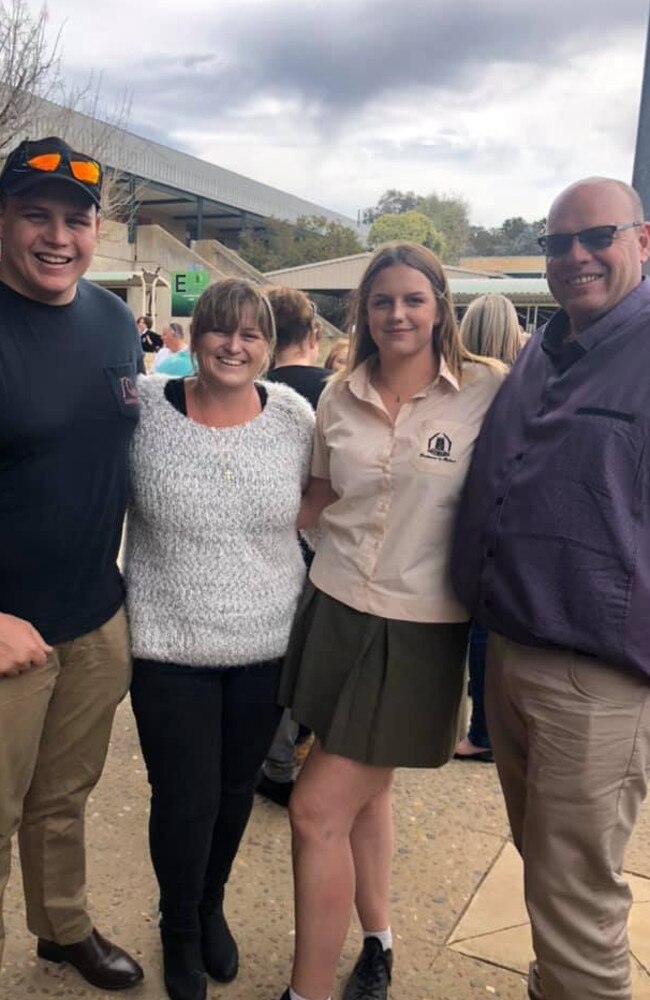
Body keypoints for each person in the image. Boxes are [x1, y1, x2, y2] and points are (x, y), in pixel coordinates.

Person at [276, 243, 504, 1000]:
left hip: (419, 631)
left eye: (413, 298)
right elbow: (314, 501)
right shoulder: (339, 395)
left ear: (440, 304)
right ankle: (379, 943)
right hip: (335, 609)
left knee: (314, 809)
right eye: (382, 302)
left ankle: (304, 994)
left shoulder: (488, 391)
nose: (397, 314)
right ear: (363, 313)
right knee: (367, 795)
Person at [451, 177, 650, 1000]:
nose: (575, 257)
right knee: (546, 866)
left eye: (596, 236)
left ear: (643, 240)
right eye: (557, 242)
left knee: (575, 896)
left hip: (596, 677)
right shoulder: (545, 344)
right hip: (511, 653)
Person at [125, 278, 314, 1000]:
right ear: (196, 334)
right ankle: (177, 924)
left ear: (268, 344)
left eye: (251, 334)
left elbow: (323, 496)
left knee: (237, 790)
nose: (234, 346)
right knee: (183, 797)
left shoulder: (293, 415)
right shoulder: (145, 409)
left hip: (266, 642)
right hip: (170, 644)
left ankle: (210, 904)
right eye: (219, 330)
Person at [0, 136, 144, 990]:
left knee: (62, 800)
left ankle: (62, 929)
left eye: (76, 219)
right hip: (5, 638)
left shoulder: (114, 319)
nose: (59, 237)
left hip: (93, 619)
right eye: (35, 216)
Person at [256, 286, 330, 808]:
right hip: (334, 552)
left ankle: (277, 761)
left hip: (271, 548)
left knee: (281, 656)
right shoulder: (343, 390)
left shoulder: (250, 392)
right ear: (315, 333)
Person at [454, 293, 522, 763]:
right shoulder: (528, 382)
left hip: (464, 520)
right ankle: (486, 726)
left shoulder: (463, 387)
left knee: (473, 629)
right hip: (511, 522)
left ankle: (480, 731)